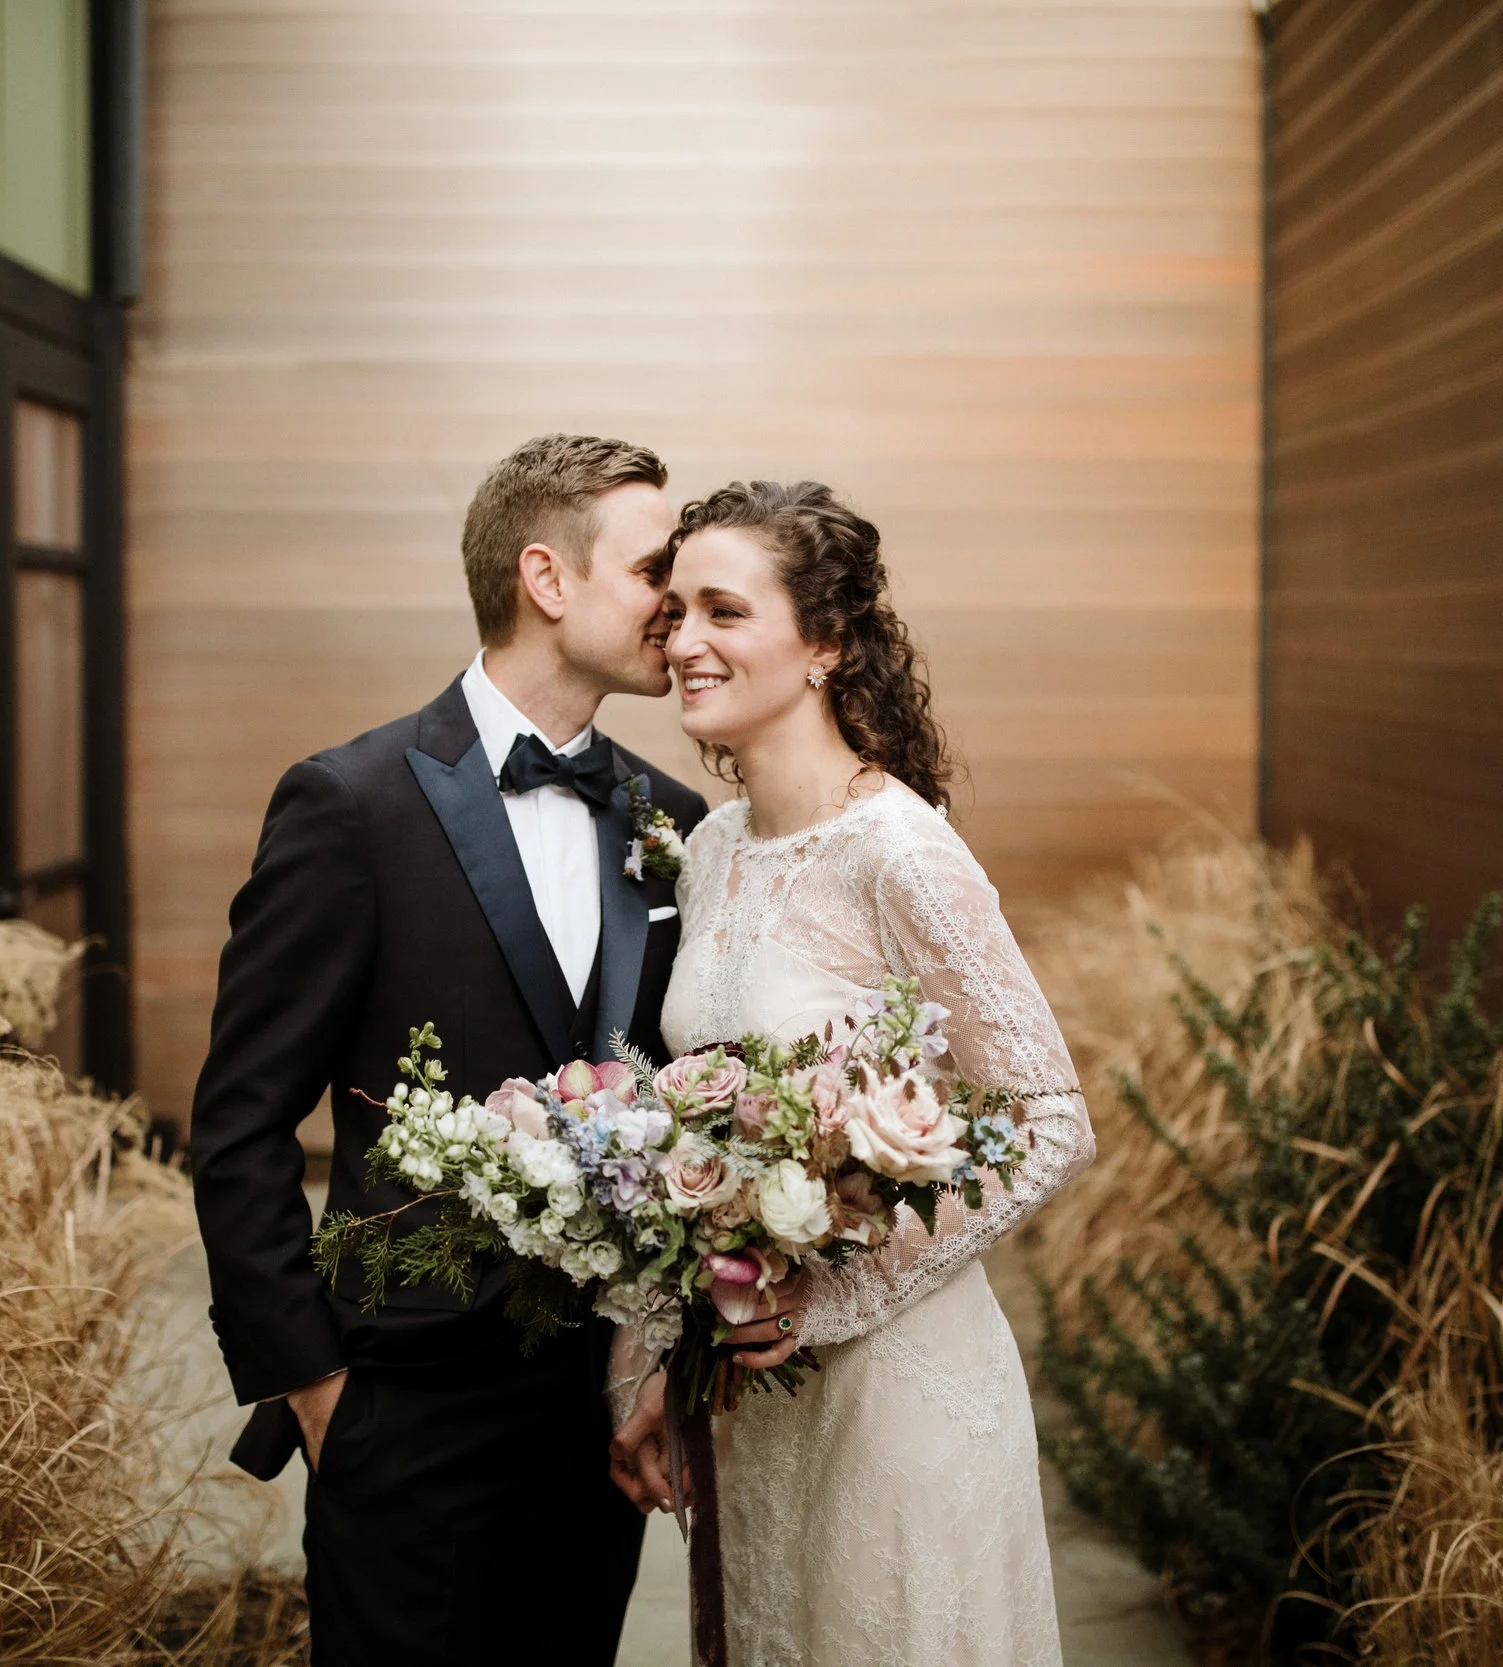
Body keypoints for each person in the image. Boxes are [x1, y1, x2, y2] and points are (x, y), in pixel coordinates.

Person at [187, 434, 712, 1666]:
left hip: (597, 1414)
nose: (676, 612)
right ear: (547, 576)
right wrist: (317, 1392)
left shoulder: (670, 821)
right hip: (401, 1408)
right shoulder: (349, 802)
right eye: (654, 574)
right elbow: (241, 1122)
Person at [607, 480, 1093, 1666]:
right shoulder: (712, 849)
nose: (683, 641)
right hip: (752, 1399)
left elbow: (1047, 1119)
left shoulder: (898, 849)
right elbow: (698, 1143)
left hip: (892, 1387)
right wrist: (653, 1361)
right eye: (673, 612)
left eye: (724, 609)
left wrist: (827, 1297)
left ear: (824, 644)